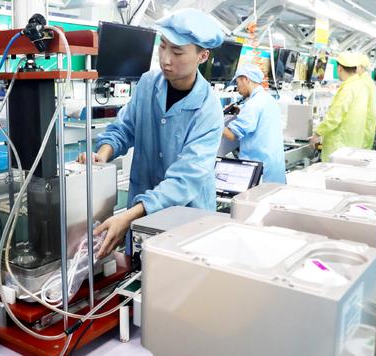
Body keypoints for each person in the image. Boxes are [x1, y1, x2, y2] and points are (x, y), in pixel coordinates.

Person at [77, 9, 225, 258]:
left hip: (187, 218)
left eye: (177, 52)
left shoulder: (208, 110)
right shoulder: (148, 83)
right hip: (140, 213)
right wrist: (103, 154)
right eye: (163, 46)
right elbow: (124, 128)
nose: (166, 59)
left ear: (202, 56)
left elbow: (184, 180)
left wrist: (129, 215)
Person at [222, 64, 285, 183]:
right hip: (274, 169)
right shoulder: (268, 99)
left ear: (246, 79)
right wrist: (242, 111)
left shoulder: (252, 105)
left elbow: (231, 135)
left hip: (259, 171)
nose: (237, 87)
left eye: (237, 82)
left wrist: (213, 121)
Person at [309, 52, 369, 162]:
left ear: (340, 68)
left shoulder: (348, 89)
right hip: (353, 143)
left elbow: (334, 117)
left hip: (339, 146)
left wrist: (317, 133)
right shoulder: (361, 86)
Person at [358, 54, 376, 149]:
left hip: (363, 124)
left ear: (361, 67)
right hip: (365, 123)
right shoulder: (366, 80)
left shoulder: (363, 82)